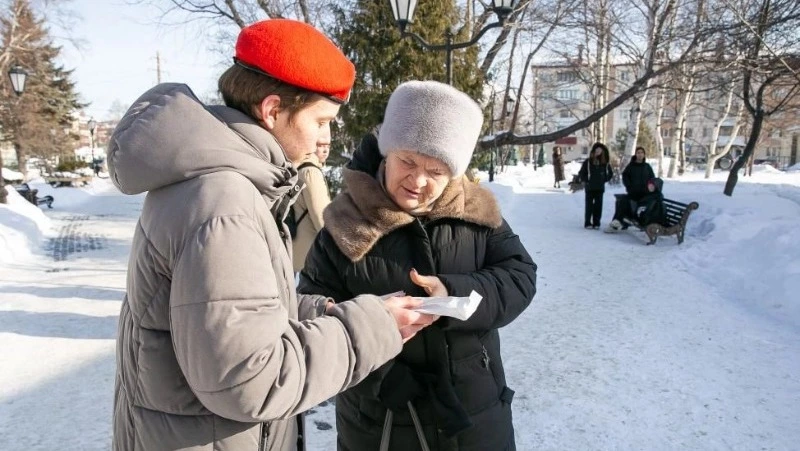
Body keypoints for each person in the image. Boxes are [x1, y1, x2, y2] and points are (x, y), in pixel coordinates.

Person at [107, 19, 437, 451]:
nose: (327, 139)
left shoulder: (213, 182)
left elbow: (223, 315)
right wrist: (376, 326)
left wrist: (317, 311)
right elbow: (251, 379)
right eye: (321, 121)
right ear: (272, 110)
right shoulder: (225, 202)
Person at [298, 81, 538, 451]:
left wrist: (452, 292)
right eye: (407, 161)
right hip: (378, 421)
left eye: (436, 170)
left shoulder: (476, 212)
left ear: (454, 173)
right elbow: (308, 306)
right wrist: (373, 347)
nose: (418, 180)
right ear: (387, 153)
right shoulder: (345, 222)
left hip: (475, 415)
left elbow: (520, 276)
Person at [292, 149, 331, 273]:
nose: (325, 150)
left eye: (328, 145)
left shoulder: (296, 169)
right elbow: (324, 221)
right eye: (321, 145)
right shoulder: (311, 172)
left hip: (294, 256)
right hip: (308, 261)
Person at [607, 146, 656, 231]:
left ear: (644, 155)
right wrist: (629, 186)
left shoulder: (647, 167)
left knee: (625, 202)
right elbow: (625, 176)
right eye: (638, 153)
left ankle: (618, 222)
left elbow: (652, 179)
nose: (640, 154)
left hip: (644, 195)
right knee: (622, 201)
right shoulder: (631, 166)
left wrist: (650, 186)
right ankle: (616, 222)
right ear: (636, 154)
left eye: (642, 153)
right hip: (633, 193)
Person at [578, 142, 614, 229]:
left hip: (600, 188)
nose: (598, 152)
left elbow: (610, 173)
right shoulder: (588, 162)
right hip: (590, 187)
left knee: (598, 206)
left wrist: (604, 179)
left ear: (602, 151)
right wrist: (586, 180)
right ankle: (587, 222)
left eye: (600, 150)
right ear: (593, 151)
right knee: (589, 206)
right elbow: (581, 173)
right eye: (596, 150)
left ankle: (596, 223)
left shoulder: (605, 163)